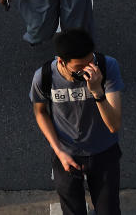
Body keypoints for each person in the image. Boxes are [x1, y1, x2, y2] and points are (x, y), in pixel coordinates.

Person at [32, 28, 123, 215]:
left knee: (109, 210)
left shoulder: (107, 66)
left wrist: (98, 92)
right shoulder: (44, 77)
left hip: (103, 152)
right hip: (66, 154)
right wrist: (59, 151)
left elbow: (114, 125)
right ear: (61, 62)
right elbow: (40, 113)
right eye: (79, 67)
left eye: (91, 62)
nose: (88, 70)